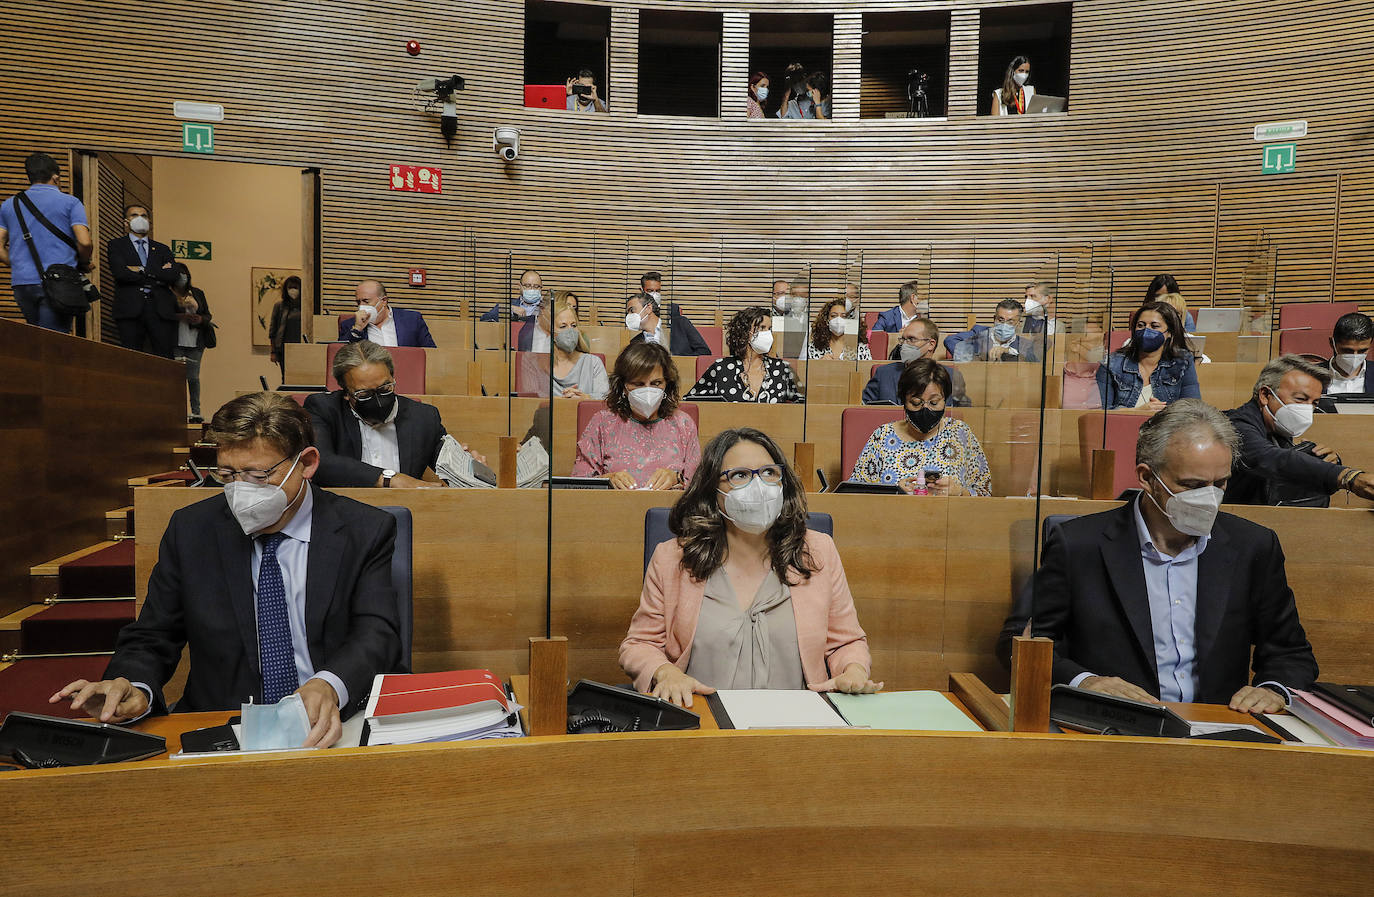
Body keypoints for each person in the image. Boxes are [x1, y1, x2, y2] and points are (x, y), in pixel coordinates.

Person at [50, 392, 402, 745]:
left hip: (339, 718)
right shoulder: (192, 530)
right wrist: (134, 685)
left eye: (257, 474)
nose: (240, 490)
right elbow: (153, 635)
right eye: (228, 474)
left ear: (306, 464)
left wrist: (328, 684)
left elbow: (376, 631)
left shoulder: (364, 529)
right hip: (224, 722)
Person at [1029, 399, 1319, 712]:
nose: (1209, 498)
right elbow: (1025, 644)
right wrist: (1085, 681)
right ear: (1146, 477)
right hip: (1115, 727)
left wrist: (1273, 689)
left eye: (1219, 483)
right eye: (1192, 485)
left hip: (1217, 728)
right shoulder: (1078, 544)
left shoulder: (1254, 546)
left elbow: (1290, 652)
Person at [619, 427, 880, 705]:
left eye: (769, 473)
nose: (759, 486)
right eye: (739, 475)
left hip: (795, 725)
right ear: (712, 490)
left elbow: (846, 642)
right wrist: (666, 672)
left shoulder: (818, 551)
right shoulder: (672, 558)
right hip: (701, 720)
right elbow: (640, 645)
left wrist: (853, 670)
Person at [305, 340, 470, 488]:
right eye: (364, 395)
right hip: (344, 513)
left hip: (408, 512)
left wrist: (468, 467)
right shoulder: (324, 409)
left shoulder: (424, 417)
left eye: (385, 389)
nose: (377, 400)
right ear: (346, 393)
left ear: (393, 378)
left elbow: (448, 464)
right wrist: (390, 479)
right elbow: (321, 462)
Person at [1223, 355, 1374, 506]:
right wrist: (1346, 476)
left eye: (1314, 403)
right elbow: (1272, 459)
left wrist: (1326, 460)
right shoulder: (1235, 427)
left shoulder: (1276, 428)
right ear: (1265, 395)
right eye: (1301, 399)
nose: (1307, 408)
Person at [851, 359, 991, 496]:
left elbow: (985, 492)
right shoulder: (883, 435)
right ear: (904, 401)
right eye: (916, 402)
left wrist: (961, 492)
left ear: (945, 400)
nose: (925, 409)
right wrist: (893, 492)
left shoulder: (959, 432)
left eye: (934, 402)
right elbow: (855, 493)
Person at [572, 341, 700, 489]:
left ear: (667, 384)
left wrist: (678, 478)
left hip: (669, 509)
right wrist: (607, 480)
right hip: (613, 508)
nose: (648, 390)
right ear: (623, 387)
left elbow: (699, 487)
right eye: (638, 384)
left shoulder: (683, 424)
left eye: (656, 383)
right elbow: (578, 483)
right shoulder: (602, 422)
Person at [0, 152, 92, 333]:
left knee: (36, 337)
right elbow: (85, 242)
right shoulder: (71, 202)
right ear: (56, 176)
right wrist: (84, 262)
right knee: (53, 343)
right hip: (59, 282)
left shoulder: (10, 204)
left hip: (22, 283)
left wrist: (17, 264)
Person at [1097, 302, 1200, 409]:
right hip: (1123, 425)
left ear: (1170, 332)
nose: (1146, 330)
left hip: (1168, 425)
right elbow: (1100, 413)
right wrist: (1138, 412)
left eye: (1154, 326)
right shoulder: (1111, 364)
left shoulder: (1182, 362)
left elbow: (1193, 408)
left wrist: (1165, 414)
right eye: (1141, 325)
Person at [687, 306, 800, 403]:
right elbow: (692, 402)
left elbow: (803, 407)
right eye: (762, 328)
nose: (768, 334)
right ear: (744, 333)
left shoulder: (782, 369)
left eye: (769, 329)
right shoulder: (721, 368)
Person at [109, 203, 179, 357]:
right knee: (131, 359)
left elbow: (173, 275)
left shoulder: (162, 249)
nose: (140, 219)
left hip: (160, 310)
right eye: (134, 215)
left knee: (165, 358)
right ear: (125, 222)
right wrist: (159, 272)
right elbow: (121, 273)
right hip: (130, 309)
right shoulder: (116, 245)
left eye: (144, 216)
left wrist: (141, 269)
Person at [862, 317, 970, 406]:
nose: (904, 344)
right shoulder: (883, 373)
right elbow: (865, 409)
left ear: (931, 344)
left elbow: (962, 415)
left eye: (911, 339)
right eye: (903, 340)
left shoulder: (952, 377)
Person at [519, 293, 608, 399]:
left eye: (573, 325)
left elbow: (605, 399)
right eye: (563, 326)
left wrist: (585, 397)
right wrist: (563, 401)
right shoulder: (533, 363)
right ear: (550, 332)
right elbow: (529, 401)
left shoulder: (593, 363)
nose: (570, 331)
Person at [169, 262, 214, 424]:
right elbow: (162, 313)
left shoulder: (197, 293)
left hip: (195, 341)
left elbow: (208, 314)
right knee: (176, 378)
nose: (183, 277)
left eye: (185, 273)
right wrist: (180, 316)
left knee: (193, 378)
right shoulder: (168, 293)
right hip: (175, 341)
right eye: (179, 273)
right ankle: (176, 410)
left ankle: (196, 411)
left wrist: (200, 319)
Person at [338, 279, 436, 348]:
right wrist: (357, 329)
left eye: (366, 301)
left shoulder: (412, 320)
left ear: (384, 301)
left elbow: (430, 353)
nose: (361, 307)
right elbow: (339, 357)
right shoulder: (349, 325)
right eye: (358, 302)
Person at [948, 300, 1041, 362]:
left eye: (1010, 321)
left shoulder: (1025, 344)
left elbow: (1035, 360)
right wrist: (981, 355)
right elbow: (950, 341)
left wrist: (1008, 352)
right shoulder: (979, 332)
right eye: (1001, 320)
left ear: (1019, 323)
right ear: (994, 319)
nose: (1004, 324)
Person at [625, 291, 712, 356]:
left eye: (632, 310)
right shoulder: (634, 343)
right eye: (627, 313)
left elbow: (704, 353)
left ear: (648, 308)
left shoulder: (680, 324)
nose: (629, 316)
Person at [803, 297, 870, 361]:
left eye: (844, 316)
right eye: (833, 316)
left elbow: (868, 370)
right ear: (827, 320)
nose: (838, 320)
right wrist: (820, 364)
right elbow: (803, 370)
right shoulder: (814, 347)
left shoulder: (860, 348)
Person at [269, 275, 304, 384]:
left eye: (296, 287)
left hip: (301, 348)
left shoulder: (306, 306)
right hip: (283, 349)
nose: (293, 290)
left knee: (300, 377)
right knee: (286, 378)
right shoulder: (279, 306)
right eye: (290, 288)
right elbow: (272, 330)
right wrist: (273, 351)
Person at [1327, 312, 1372, 395]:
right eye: (1347, 351)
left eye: (1362, 351)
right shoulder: (1310, 375)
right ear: (1332, 343)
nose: (1355, 356)